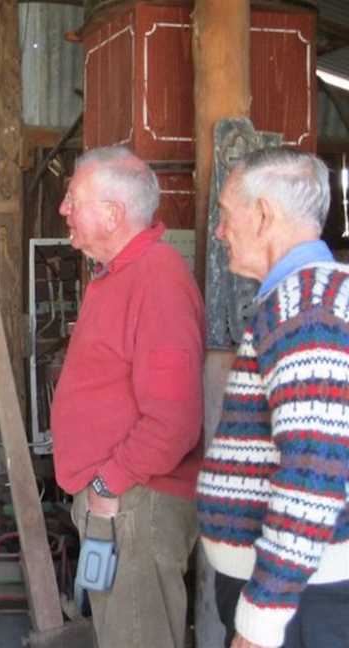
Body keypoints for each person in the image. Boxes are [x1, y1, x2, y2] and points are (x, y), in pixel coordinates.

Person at [51, 146, 205, 648]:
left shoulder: (157, 279)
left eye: (74, 199)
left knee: (138, 638)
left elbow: (173, 421)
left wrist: (107, 482)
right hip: (117, 501)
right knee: (120, 632)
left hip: (134, 504)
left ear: (113, 213)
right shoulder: (117, 274)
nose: (63, 209)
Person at [196, 147, 349, 648]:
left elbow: (312, 474)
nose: (219, 231)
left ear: (263, 214)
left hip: (300, 602)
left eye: (224, 213)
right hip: (296, 592)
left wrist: (262, 619)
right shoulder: (302, 300)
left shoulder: (308, 311)